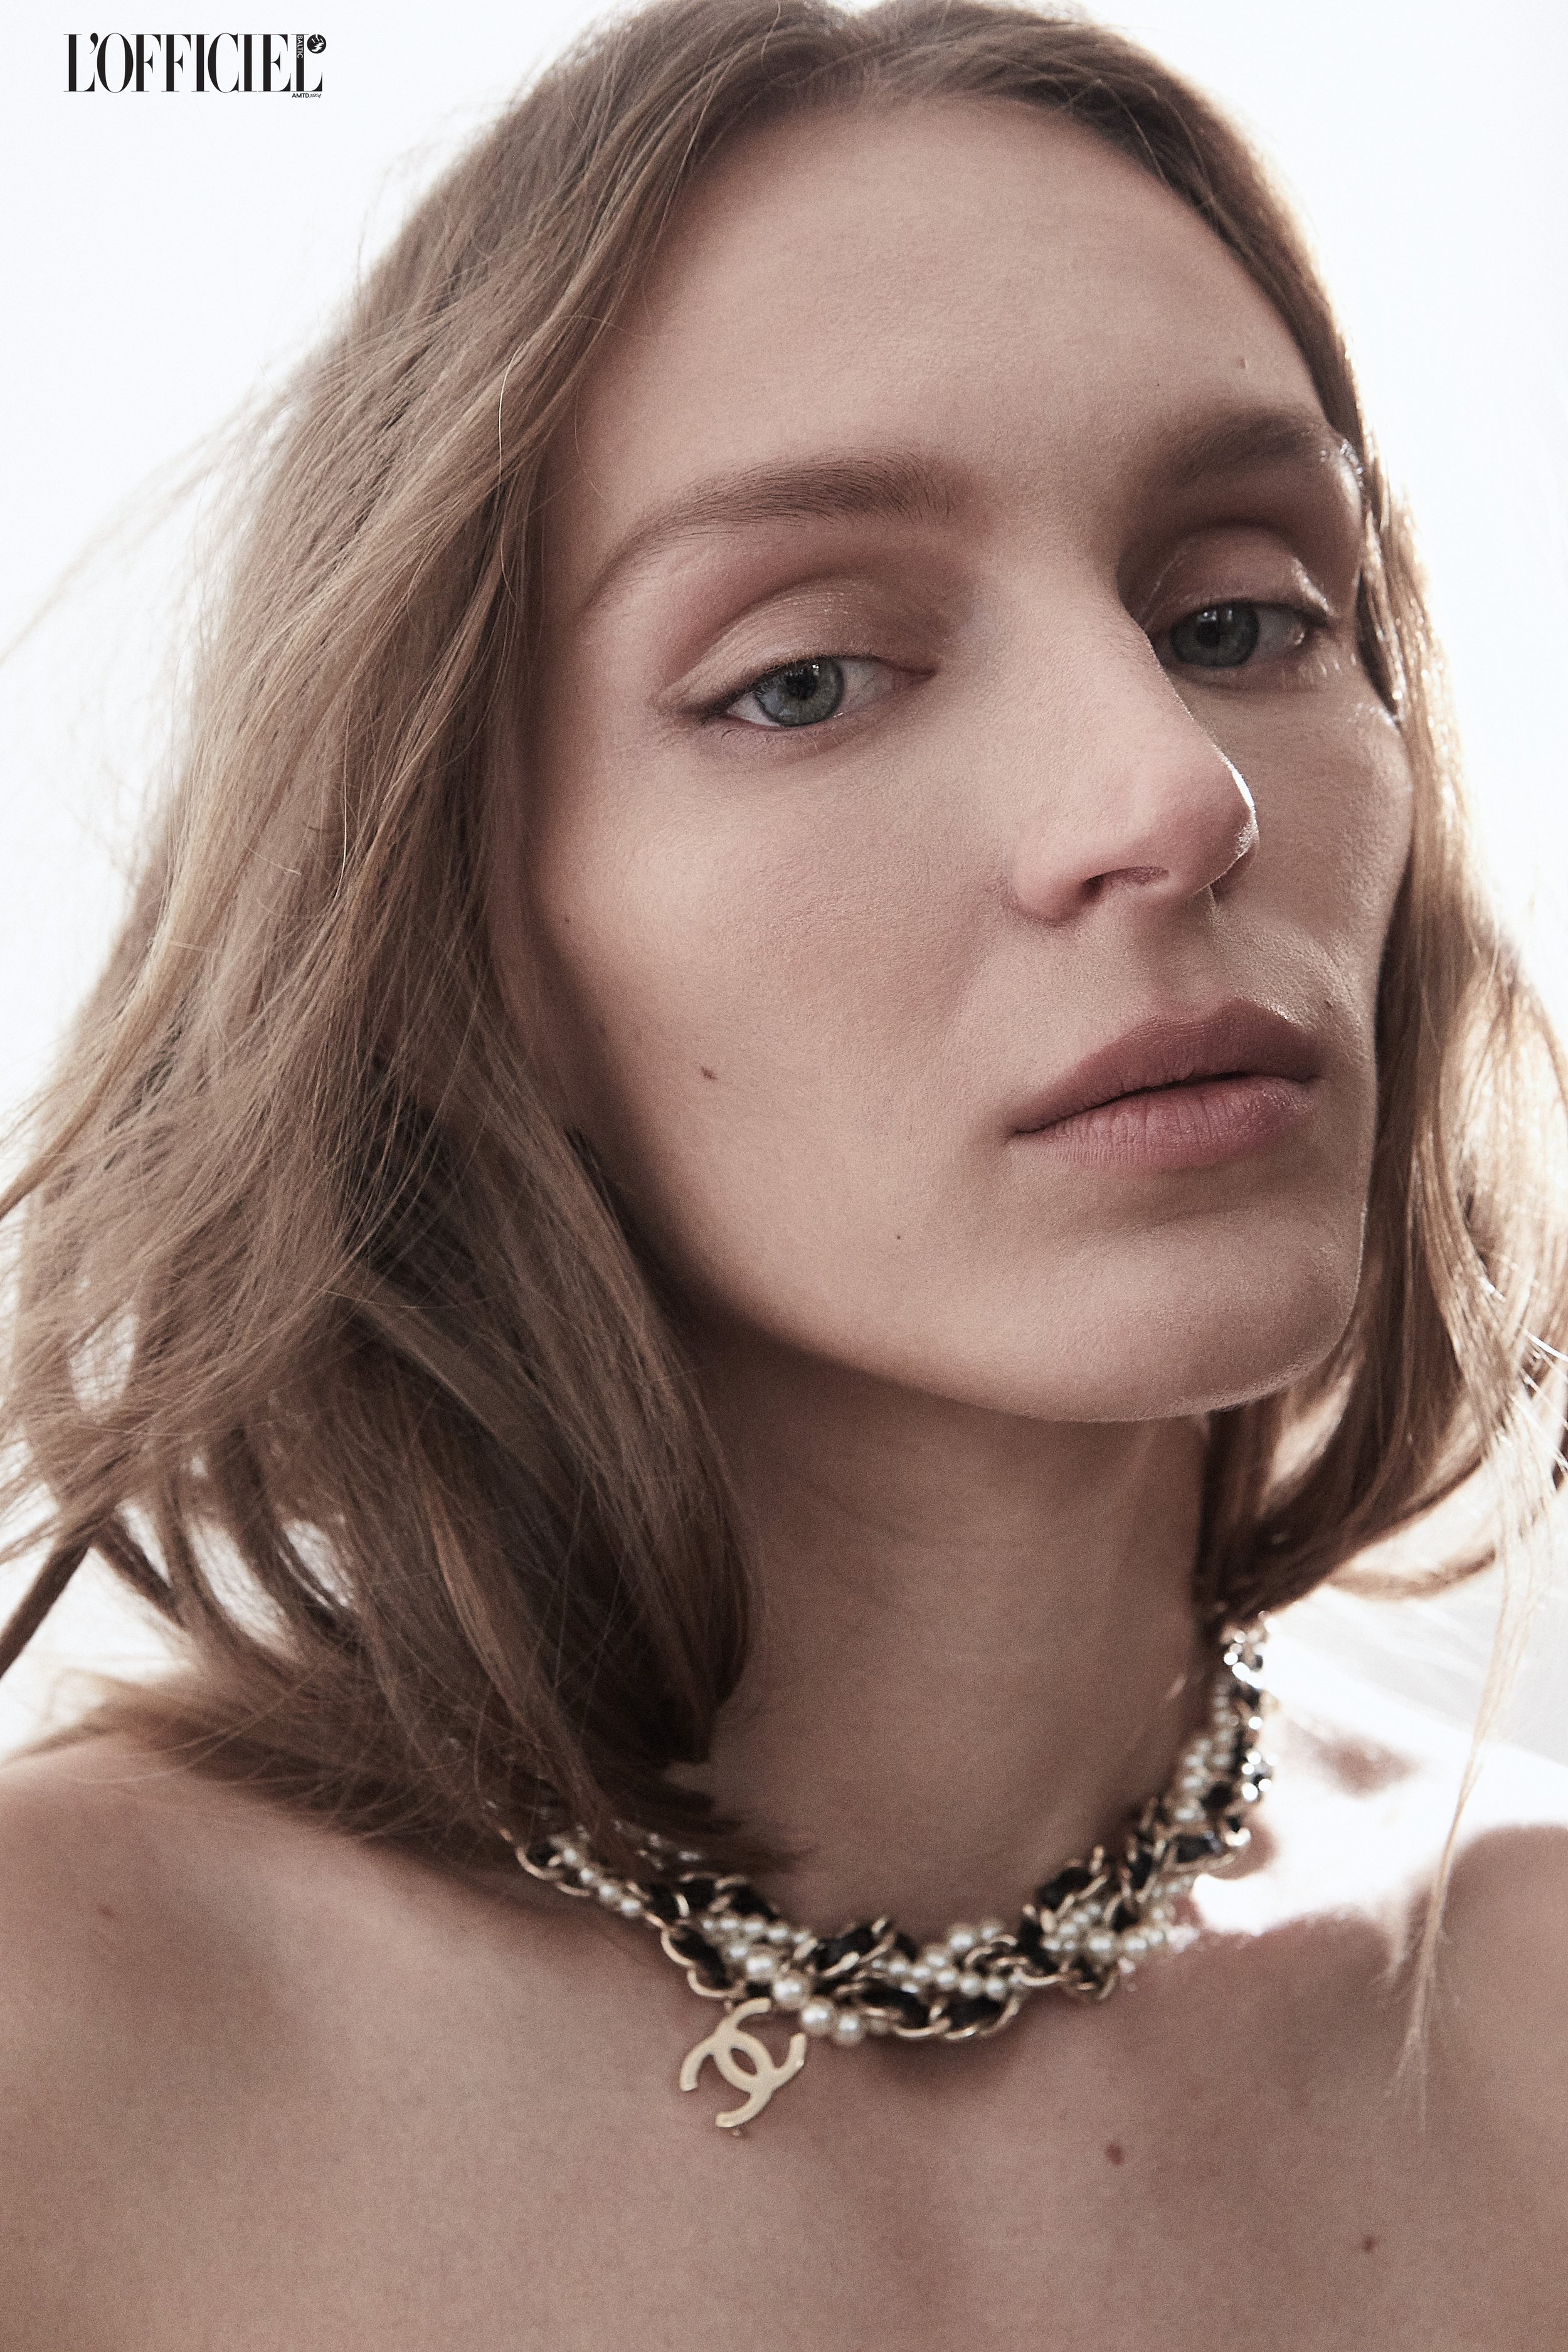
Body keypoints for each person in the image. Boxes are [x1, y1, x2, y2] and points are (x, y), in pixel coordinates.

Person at [2, 0, 1566, 2341]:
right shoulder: (62, 2062)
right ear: (465, 938)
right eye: (809, 676)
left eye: (1239, 615)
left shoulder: (1535, 2015)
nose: (1169, 791)